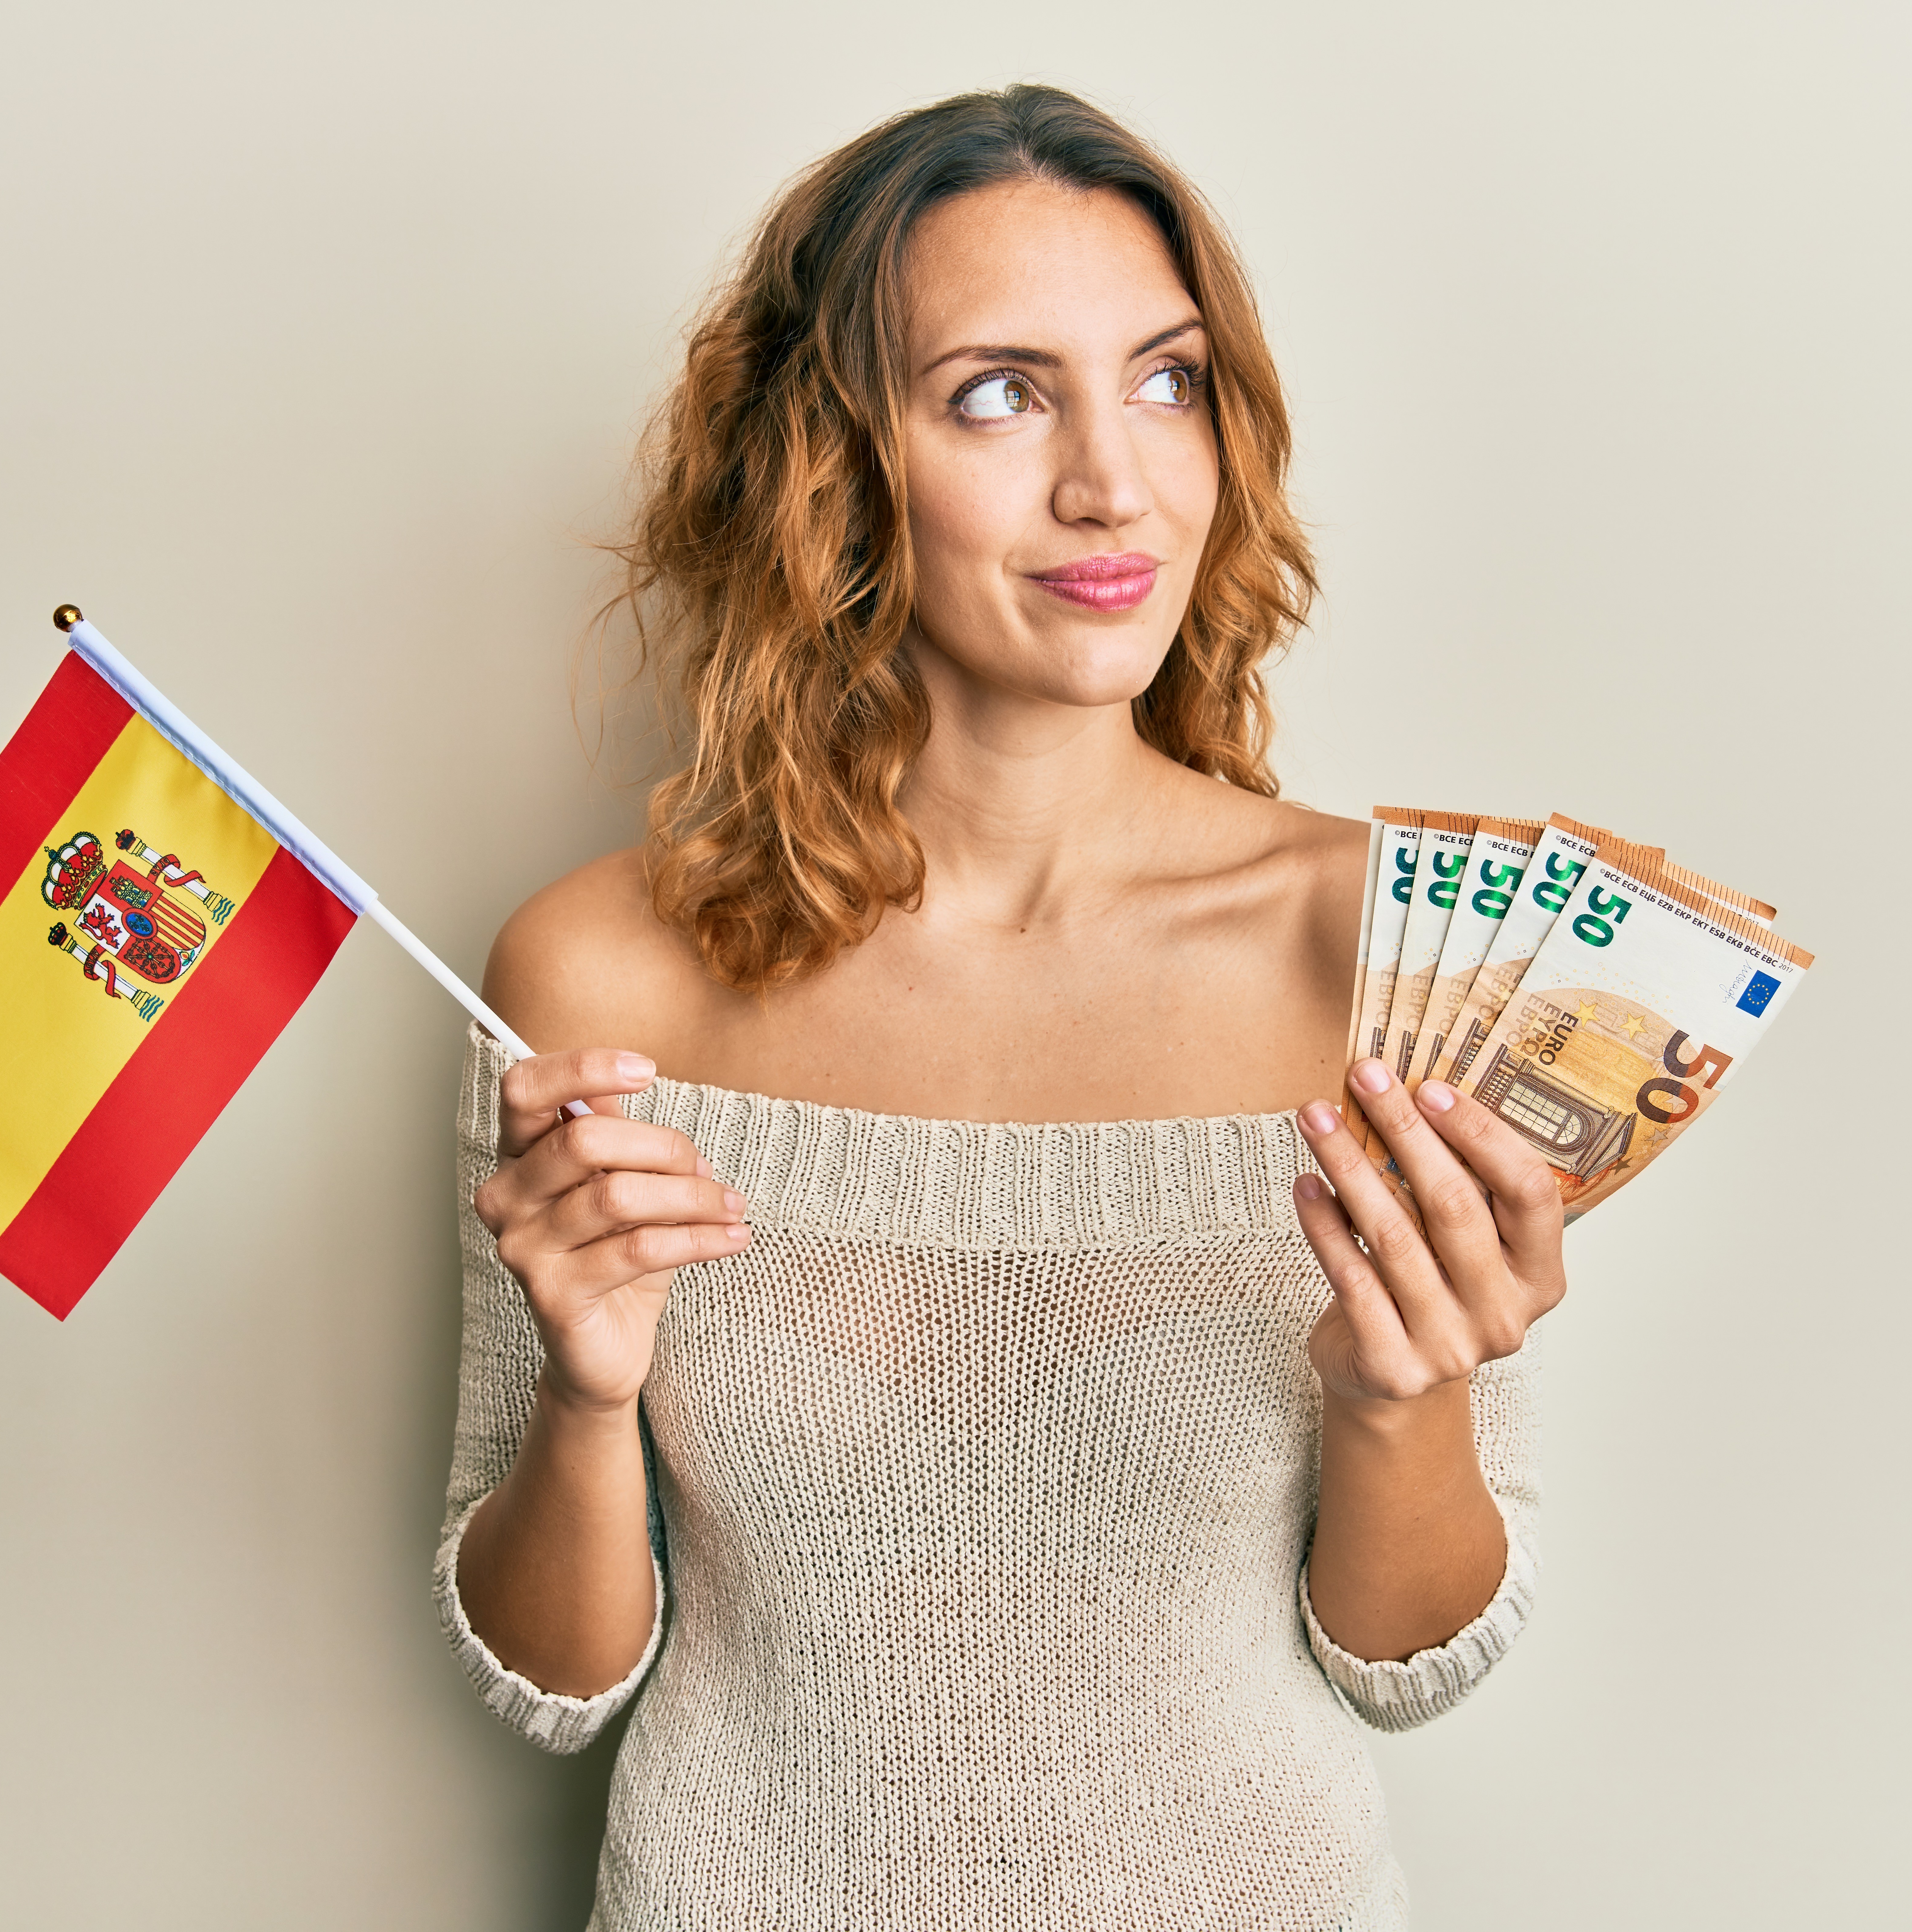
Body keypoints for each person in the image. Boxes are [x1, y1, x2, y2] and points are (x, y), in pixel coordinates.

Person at [438, 83, 1565, 1928]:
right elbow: (549, 1683)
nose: (1114, 482)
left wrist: (1401, 1394)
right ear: (830, 462)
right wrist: (583, 1395)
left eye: (1167, 379)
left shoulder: (1384, 949)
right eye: (998, 392)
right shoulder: (598, 975)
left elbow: (1410, 1657)